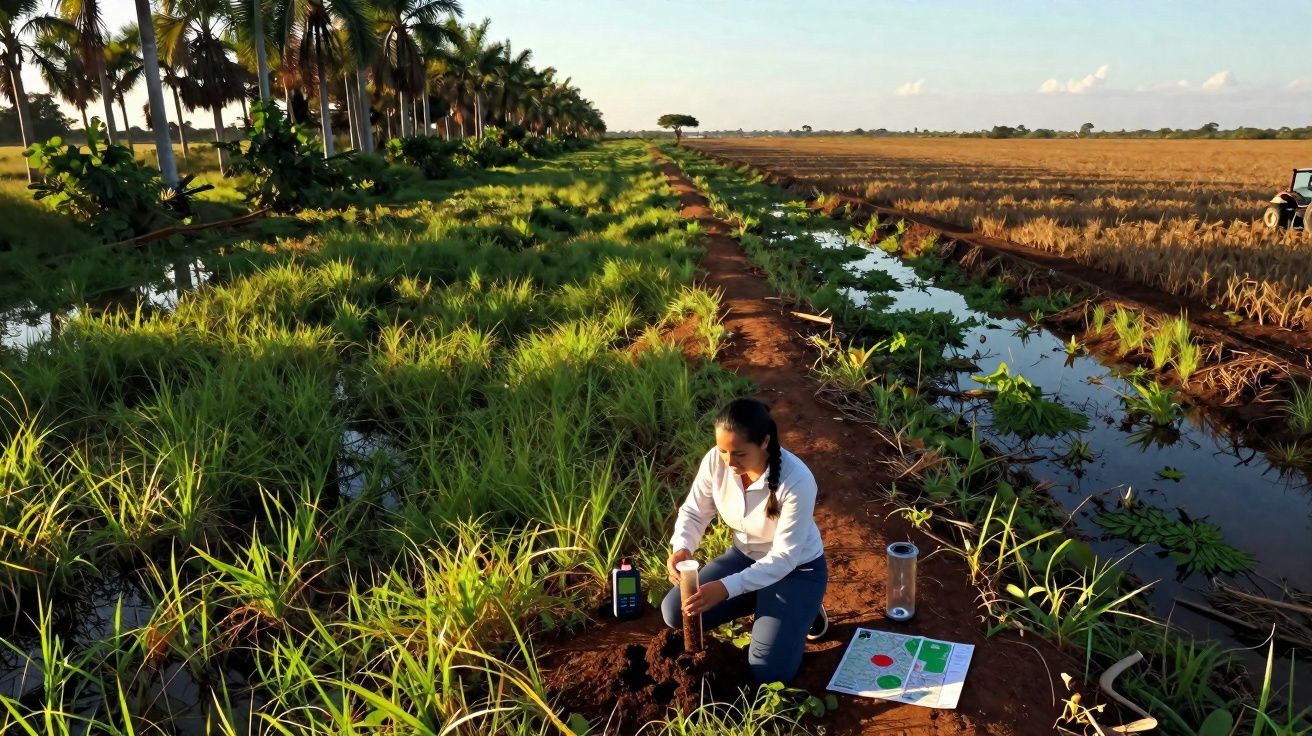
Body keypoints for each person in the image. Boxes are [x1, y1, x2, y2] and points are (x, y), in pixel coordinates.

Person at [661, 398, 828, 684]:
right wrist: (682, 546)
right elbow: (694, 511)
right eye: (723, 450)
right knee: (676, 612)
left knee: (768, 673)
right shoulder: (717, 461)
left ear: (764, 442)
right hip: (744, 558)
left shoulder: (797, 480)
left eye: (738, 453)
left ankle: (803, 607)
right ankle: (767, 603)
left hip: (796, 571)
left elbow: (785, 557)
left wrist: (726, 588)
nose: (728, 461)